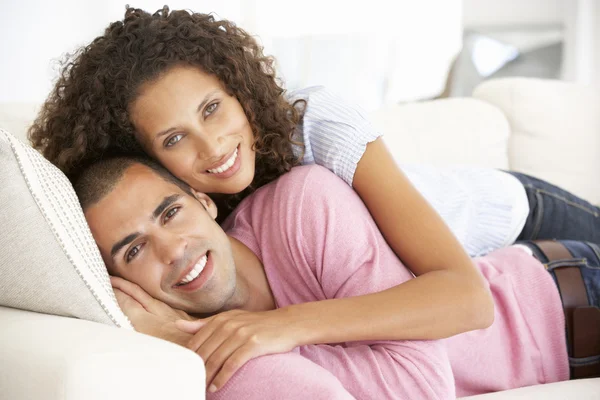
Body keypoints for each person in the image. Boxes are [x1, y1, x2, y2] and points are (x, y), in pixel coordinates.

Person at [30, 5, 600, 366]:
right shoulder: (183, 225)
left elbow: (464, 298)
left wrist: (280, 328)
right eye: (174, 140)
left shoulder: (317, 129)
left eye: (212, 108)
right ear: (145, 158)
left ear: (239, 92)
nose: (212, 148)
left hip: (506, 217)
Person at [75, 156, 599, 398]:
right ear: (122, 283)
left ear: (203, 201)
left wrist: (277, 330)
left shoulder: (303, 205)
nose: (173, 250)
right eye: (135, 249)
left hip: (565, 297)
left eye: (170, 213)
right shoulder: (188, 352)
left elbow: (423, 386)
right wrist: (183, 339)